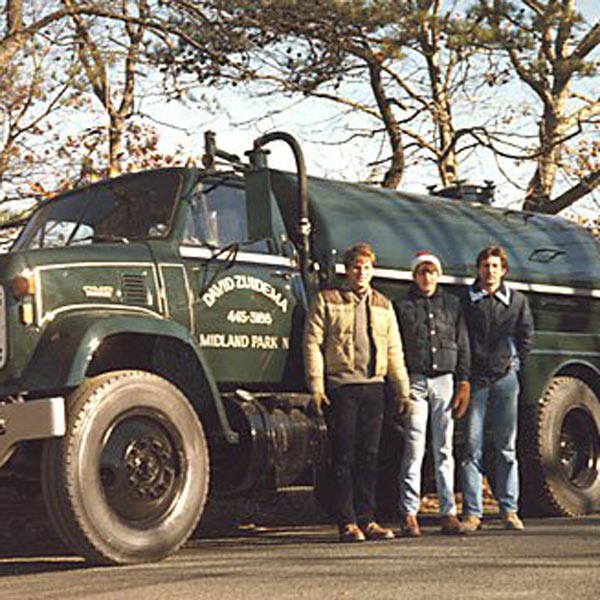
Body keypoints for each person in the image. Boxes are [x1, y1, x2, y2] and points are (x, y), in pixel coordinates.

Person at [303, 242, 412, 543]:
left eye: (366, 268)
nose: (361, 273)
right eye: (356, 267)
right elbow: (312, 343)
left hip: (374, 387)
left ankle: (368, 519)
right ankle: (347, 521)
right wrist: (317, 386)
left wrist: (402, 391)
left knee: (370, 455)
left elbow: (394, 351)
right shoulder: (328, 300)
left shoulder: (383, 305)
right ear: (347, 270)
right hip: (342, 387)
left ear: (372, 271)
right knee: (344, 455)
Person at [396, 251, 471, 537]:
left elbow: (462, 343)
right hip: (415, 381)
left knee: (444, 449)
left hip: (445, 381)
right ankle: (409, 513)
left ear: (438, 275)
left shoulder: (453, 305)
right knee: (414, 448)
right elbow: (397, 348)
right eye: (422, 272)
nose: (427, 277)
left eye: (431, 272)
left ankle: (448, 511)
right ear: (415, 276)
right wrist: (400, 388)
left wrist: (463, 381)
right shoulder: (402, 306)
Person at [461, 245, 534, 532]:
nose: (489, 271)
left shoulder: (516, 301)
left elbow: (527, 335)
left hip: (505, 380)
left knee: (506, 448)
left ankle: (509, 510)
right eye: (484, 266)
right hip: (476, 381)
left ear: (503, 270)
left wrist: (514, 362)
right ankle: (472, 512)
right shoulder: (466, 300)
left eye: (494, 266)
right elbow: (461, 338)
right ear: (478, 269)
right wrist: (464, 376)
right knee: (471, 447)